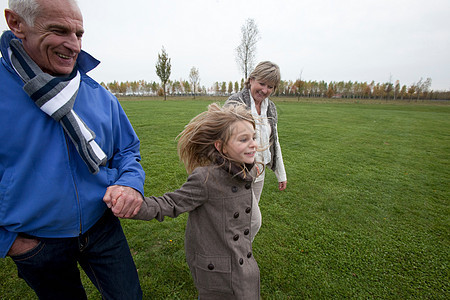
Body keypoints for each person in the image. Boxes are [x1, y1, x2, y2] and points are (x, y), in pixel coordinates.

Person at [0, 0, 145, 298]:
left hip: (102, 227)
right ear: (16, 23)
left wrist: (130, 184)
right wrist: (10, 241)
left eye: (79, 34)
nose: (74, 45)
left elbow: (128, 150)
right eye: (59, 30)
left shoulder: (98, 94)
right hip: (36, 242)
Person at [111, 103, 261, 299]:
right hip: (219, 271)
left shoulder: (245, 173)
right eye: (244, 139)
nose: (253, 144)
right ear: (221, 146)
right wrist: (133, 206)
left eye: (254, 138)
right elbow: (170, 204)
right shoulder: (206, 179)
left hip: (242, 261)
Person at [226, 61, 287, 241]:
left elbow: (274, 140)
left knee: (243, 220)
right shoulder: (235, 103)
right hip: (239, 173)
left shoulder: (271, 107)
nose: (265, 90)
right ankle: (238, 252)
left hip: (259, 176)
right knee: (254, 221)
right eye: (262, 83)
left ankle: (238, 252)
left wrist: (280, 173)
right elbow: (222, 138)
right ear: (251, 80)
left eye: (270, 86)